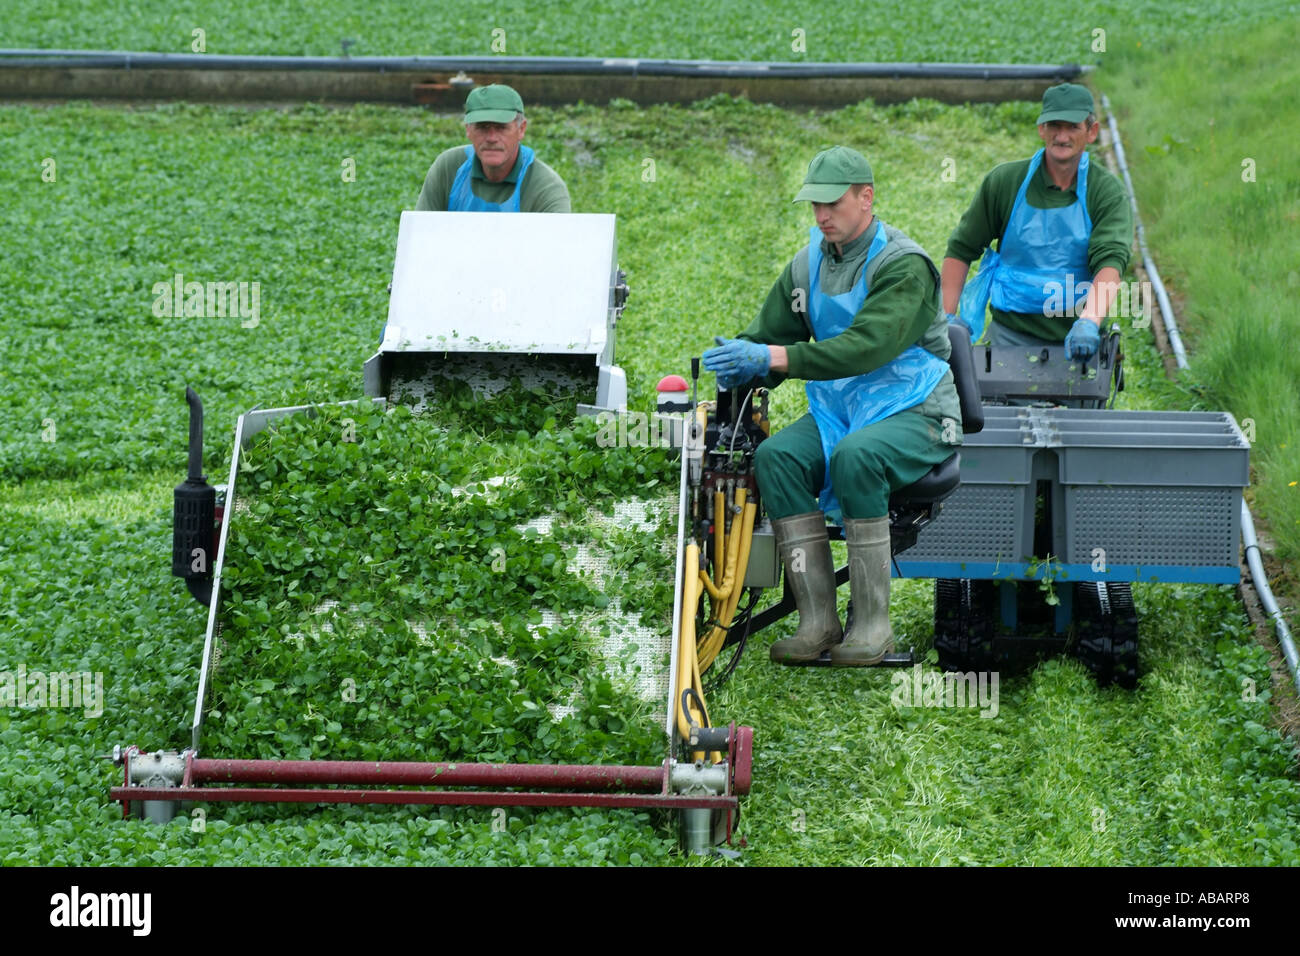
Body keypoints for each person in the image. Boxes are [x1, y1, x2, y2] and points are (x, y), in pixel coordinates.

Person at [703, 146, 962, 667]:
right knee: (778, 457)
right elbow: (771, 334)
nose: (822, 217)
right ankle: (818, 619)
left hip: (917, 410)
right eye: (814, 207)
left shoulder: (903, 266)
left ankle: (873, 625)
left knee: (856, 456)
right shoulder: (807, 267)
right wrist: (743, 358)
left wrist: (774, 357)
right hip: (842, 410)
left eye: (833, 205)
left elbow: (866, 347)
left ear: (866, 198)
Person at [942, 83, 1133, 360]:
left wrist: (1089, 322)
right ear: (1041, 128)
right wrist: (946, 317)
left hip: (1078, 341)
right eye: (1054, 125)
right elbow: (961, 248)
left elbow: (1110, 261)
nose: (1062, 136)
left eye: (1073, 127)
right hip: (1008, 337)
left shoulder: (1106, 192)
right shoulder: (1005, 182)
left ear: (1091, 132)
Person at [415, 84, 571, 213]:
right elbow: (421, 237)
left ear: (521, 129)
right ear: (468, 129)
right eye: (482, 127)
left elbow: (555, 248)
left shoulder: (546, 188)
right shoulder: (449, 168)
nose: (491, 138)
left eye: (501, 128)